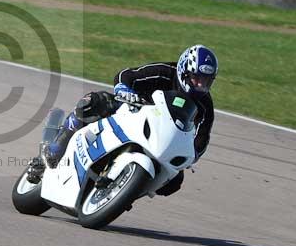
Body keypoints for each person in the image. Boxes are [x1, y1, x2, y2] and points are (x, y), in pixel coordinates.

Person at [25, 45, 218, 197]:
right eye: (196, 78)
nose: (200, 85)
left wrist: (190, 156)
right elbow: (126, 75)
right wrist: (125, 90)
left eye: (206, 81)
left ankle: (126, 191)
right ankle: (54, 149)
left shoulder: (205, 105)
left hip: (161, 137)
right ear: (184, 71)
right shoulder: (164, 72)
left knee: (173, 182)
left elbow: (202, 138)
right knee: (92, 102)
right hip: (132, 111)